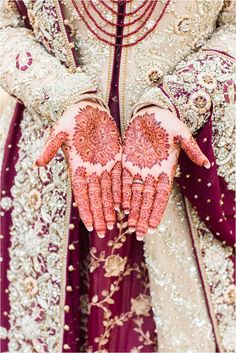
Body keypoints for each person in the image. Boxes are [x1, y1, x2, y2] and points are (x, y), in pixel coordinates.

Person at [0, 0, 235, 352]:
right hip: (59, 171)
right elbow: (6, 26)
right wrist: (64, 97)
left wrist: (179, 99)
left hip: (183, 177)